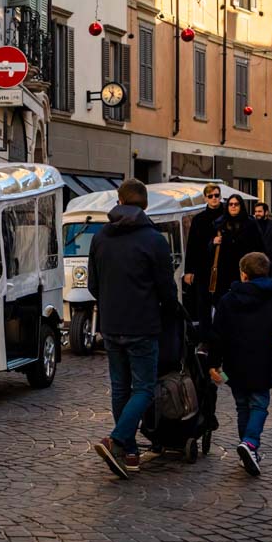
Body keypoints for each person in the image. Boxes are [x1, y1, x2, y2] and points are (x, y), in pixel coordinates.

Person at [87, 179, 179, 480]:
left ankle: (129, 452)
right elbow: (167, 289)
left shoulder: (100, 237)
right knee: (143, 388)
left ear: (118, 200)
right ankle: (117, 439)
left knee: (120, 388)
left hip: (112, 324)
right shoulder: (154, 240)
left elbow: (92, 285)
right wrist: (169, 312)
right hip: (143, 323)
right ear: (145, 205)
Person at [209, 251, 272, 478]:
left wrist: (214, 363)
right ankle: (250, 444)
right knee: (259, 404)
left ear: (243, 274)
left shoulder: (228, 300)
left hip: (235, 362)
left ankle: (247, 446)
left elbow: (217, 334)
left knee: (243, 405)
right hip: (263, 359)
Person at [182, 184, 226, 290]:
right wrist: (188, 271)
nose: (214, 198)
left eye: (216, 195)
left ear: (220, 196)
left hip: (224, 266)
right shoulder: (198, 219)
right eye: (210, 196)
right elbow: (191, 245)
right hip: (202, 267)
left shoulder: (227, 216)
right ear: (205, 198)